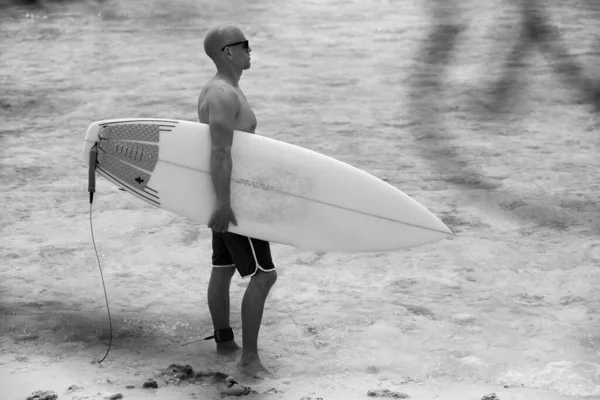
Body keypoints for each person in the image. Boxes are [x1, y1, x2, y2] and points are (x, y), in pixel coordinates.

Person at [197, 25, 278, 378]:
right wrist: (225, 203)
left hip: (229, 193)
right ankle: (250, 359)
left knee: (223, 268)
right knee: (263, 276)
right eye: (245, 45)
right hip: (234, 197)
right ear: (228, 52)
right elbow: (219, 152)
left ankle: (225, 343)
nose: (250, 50)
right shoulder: (221, 94)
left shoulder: (227, 91)